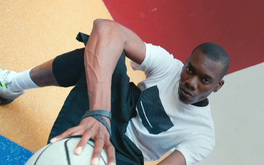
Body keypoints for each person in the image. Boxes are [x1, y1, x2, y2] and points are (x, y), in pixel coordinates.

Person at [0, 19, 230, 165]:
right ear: (186, 62)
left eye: (205, 80)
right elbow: (105, 28)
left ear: (217, 86)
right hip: (111, 110)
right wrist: (99, 112)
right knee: (103, 50)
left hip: (125, 155)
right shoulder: (168, 67)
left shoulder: (203, 134)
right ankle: (12, 85)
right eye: (190, 70)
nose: (191, 82)